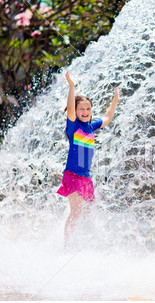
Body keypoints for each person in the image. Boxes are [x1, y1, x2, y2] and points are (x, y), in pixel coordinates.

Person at [57, 70, 119, 245]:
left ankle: (84, 242)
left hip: (85, 177)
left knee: (88, 211)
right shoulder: (73, 126)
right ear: (75, 111)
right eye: (81, 109)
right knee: (76, 211)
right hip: (72, 175)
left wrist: (115, 101)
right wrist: (72, 87)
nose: (85, 111)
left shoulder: (92, 126)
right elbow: (69, 108)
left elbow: (107, 117)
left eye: (88, 109)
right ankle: (66, 245)